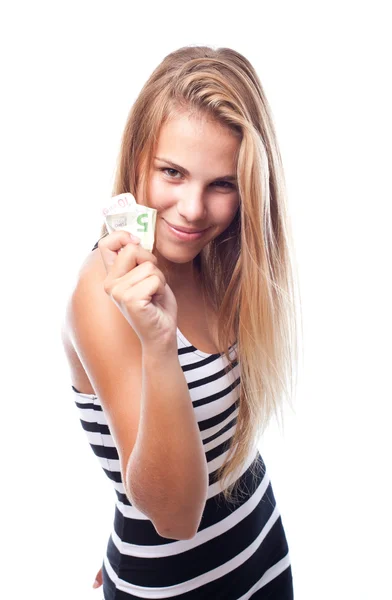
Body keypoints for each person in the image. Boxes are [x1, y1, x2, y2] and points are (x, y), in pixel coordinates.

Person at [61, 45, 299, 599]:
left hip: (262, 554)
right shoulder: (104, 294)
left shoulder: (217, 260)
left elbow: (211, 447)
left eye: (222, 184)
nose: (193, 209)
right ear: (137, 157)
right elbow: (173, 518)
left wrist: (127, 500)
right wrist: (158, 343)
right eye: (173, 172)